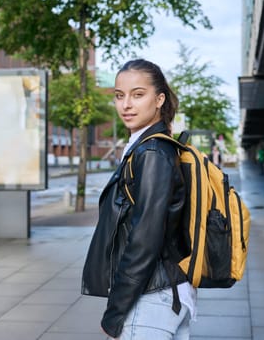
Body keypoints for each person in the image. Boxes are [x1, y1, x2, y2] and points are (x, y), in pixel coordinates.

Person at [82, 59, 196, 339]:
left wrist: (116, 311)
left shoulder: (153, 153)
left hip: (150, 299)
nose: (126, 105)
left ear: (159, 99)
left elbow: (145, 238)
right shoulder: (148, 148)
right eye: (120, 96)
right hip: (166, 293)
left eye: (138, 94)